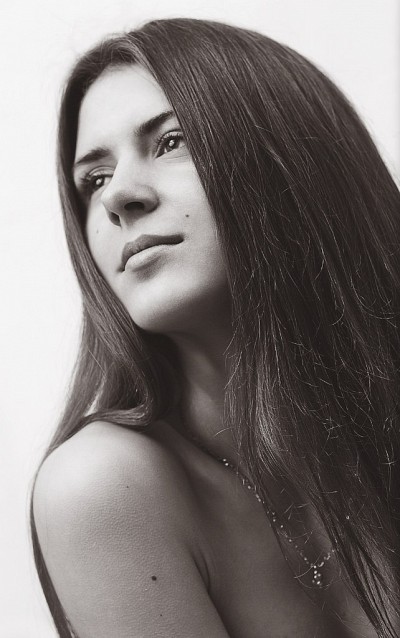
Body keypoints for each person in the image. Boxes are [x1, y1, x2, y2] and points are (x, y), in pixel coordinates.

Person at [31, 17, 400, 638]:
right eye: (94, 180)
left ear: (293, 160)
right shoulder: (104, 486)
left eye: (171, 141)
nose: (118, 197)